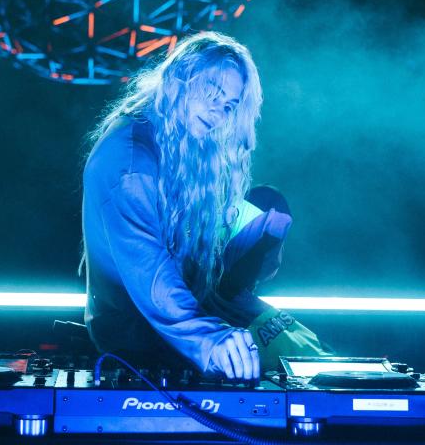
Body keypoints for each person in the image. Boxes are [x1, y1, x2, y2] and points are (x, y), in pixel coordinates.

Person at [81, 31, 328, 382]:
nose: (219, 111)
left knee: (305, 353)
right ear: (180, 79)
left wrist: (256, 241)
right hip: (140, 339)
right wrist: (211, 338)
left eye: (229, 104)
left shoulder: (175, 142)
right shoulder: (129, 163)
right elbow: (151, 272)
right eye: (212, 91)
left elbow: (193, 267)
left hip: (186, 321)